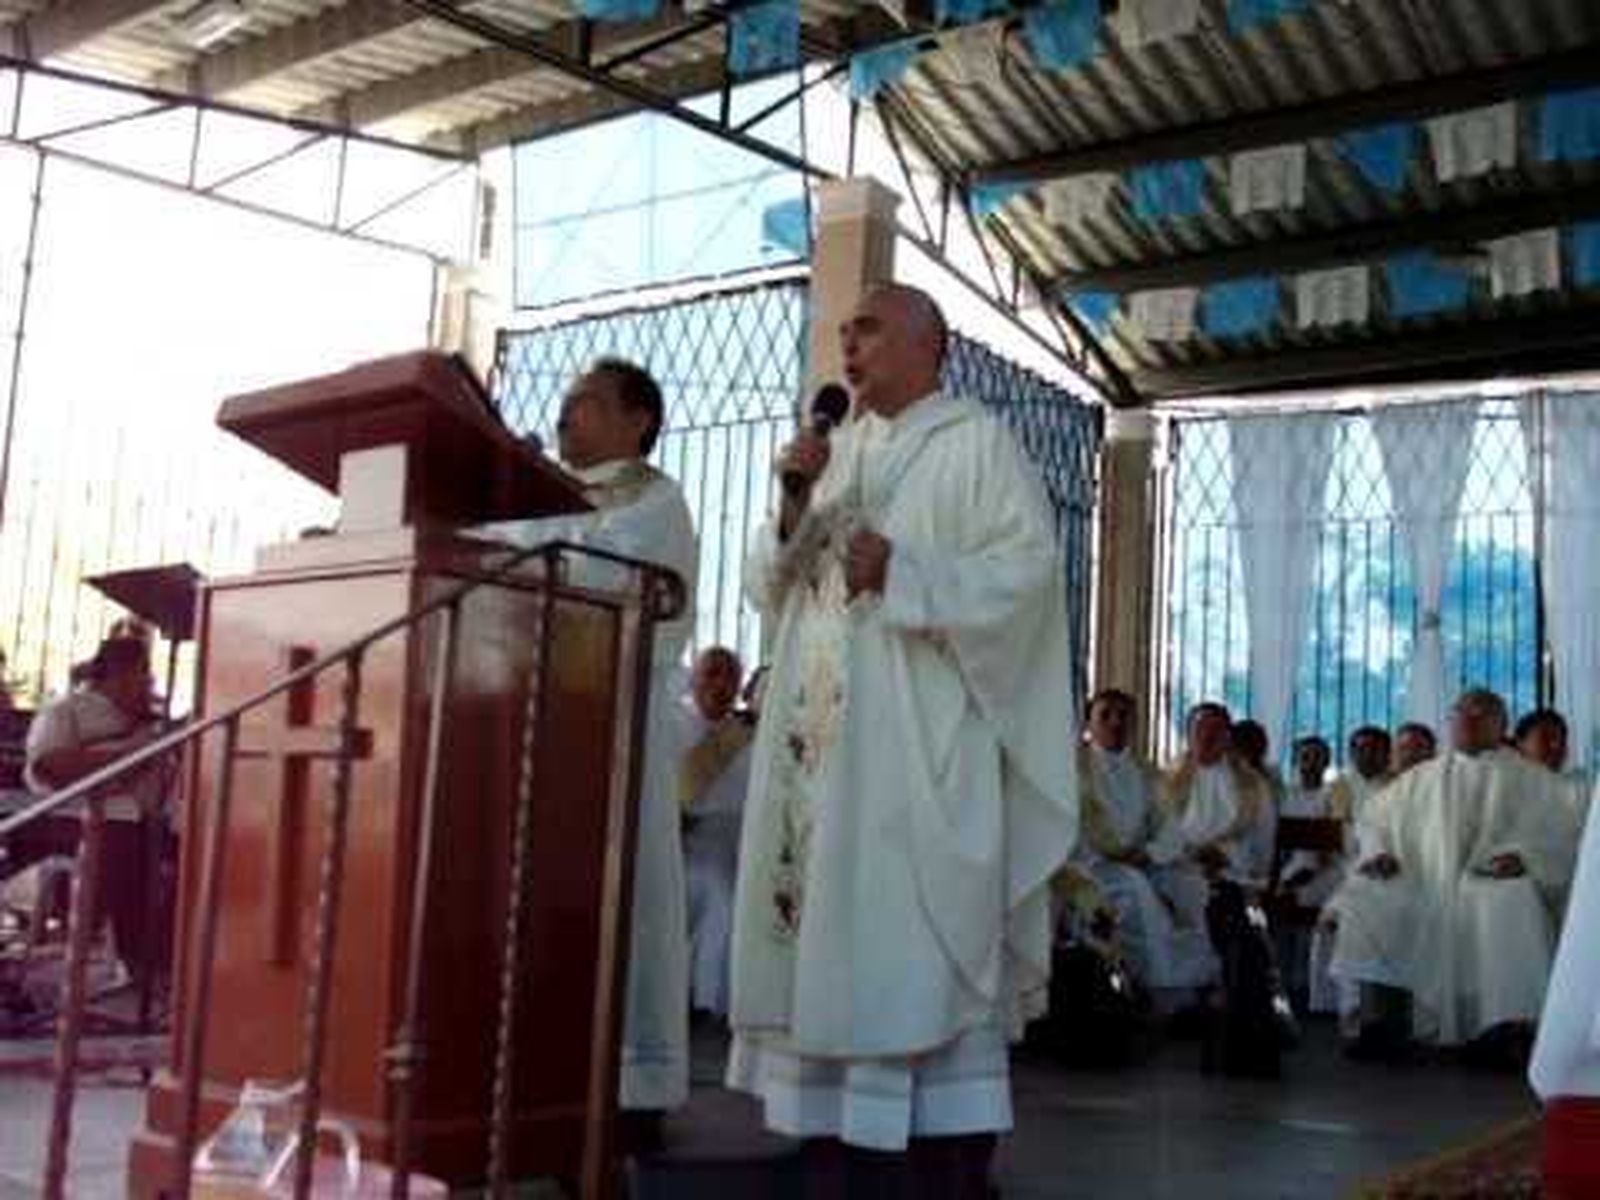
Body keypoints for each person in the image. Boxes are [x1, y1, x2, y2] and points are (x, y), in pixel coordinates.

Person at [726, 283, 1077, 1197]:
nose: (849, 344)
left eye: (869, 328)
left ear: (929, 344)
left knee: (905, 918)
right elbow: (773, 587)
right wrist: (793, 500)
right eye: (844, 332)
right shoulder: (833, 451)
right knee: (827, 913)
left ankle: (937, 1151)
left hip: (916, 739)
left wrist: (913, 573)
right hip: (819, 740)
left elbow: (1030, 577)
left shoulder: (976, 444)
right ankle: (826, 1133)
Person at [476, 357, 698, 1123]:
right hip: (532, 725)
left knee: (620, 897)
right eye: (566, 402)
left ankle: (628, 1084)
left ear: (638, 420)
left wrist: (519, 508)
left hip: (615, 728)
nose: (567, 415)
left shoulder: (655, 500)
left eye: (588, 403)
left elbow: (593, 567)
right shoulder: (550, 495)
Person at [1327, 689, 1578, 1063]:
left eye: (1482, 714)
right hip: (1425, 880)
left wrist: (1525, 858)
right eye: (1461, 713)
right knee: (1369, 894)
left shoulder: (1531, 777)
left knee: (1511, 900)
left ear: (1501, 724)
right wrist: (1379, 853)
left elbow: (1562, 831)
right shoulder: (1423, 777)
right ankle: (1382, 1024)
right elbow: (1373, 819)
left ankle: (1501, 1030)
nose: (1469, 721)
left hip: (1490, 881)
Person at [24, 637, 166, 988]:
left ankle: (156, 961)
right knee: (124, 847)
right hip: (80, 818)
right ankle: (127, 953)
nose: (150, 684)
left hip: (150, 821)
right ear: (118, 674)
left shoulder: (152, 722)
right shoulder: (66, 711)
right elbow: (50, 766)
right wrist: (129, 758)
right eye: (144, 675)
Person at [1071, 689, 1213, 1005]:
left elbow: (1171, 829)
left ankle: (1199, 983)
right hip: (1093, 866)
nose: (1116, 722)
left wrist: (1149, 854)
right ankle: (1166, 994)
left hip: (1145, 862)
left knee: (1195, 888)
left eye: (1124, 716)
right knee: (1136, 891)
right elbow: (1068, 831)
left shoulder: (1147, 772)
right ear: (1088, 722)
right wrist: (1125, 860)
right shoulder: (1072, 769)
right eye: (1105, 714)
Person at [679, 646, 753, 1019]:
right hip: (694, 837)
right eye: (711, 673)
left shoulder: (749, 735)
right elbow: (681, 793)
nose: (720, 684)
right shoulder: (675, 723)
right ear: (692, 679)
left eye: (730, 676)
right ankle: (705, 999)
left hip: (747, 837)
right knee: (721, 887)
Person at [1159, 703, 1277, 906]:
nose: (1207, 736)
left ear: (1228, 737)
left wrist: (1228, 856)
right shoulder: (1167, 779)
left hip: (1230, 871)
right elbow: (1156, 829)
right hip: (1178, 866)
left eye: (1216, 729)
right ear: (1188, 734)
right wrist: (1184, 854)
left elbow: (1263, 837)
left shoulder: (1252, 783)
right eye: (1200, 729)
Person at [1518, 708, 1591, 827]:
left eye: (1562, 740)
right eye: (1545, 737)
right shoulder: (1506, 785)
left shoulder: (1580, 786)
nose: (1556, 745)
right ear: (1521, 743)